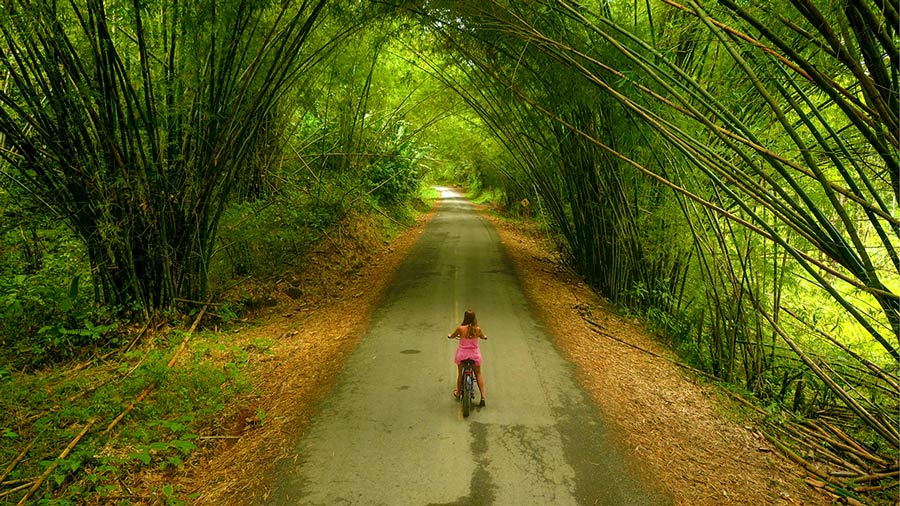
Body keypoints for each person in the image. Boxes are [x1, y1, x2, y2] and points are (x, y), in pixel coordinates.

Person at [447, 308, 487, 407]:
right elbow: (483, 336)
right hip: (474, 355)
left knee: (460, 373)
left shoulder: (461, 328)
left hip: (462, 354)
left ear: (465, 318)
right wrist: (484, 337)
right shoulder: (477, 329)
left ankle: (458, 392)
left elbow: (452, 335)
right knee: (478, 374)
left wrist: (450, 336)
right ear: (474, 318)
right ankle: (482, 396)